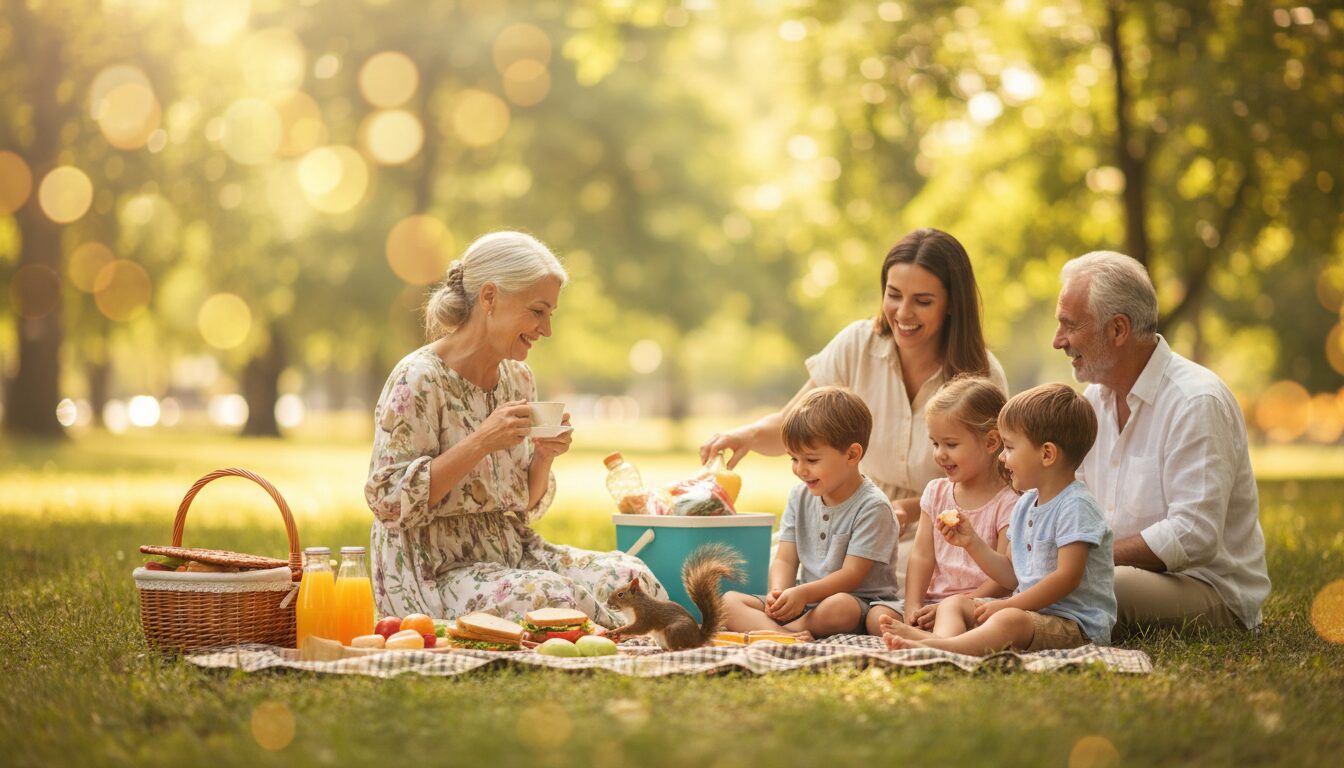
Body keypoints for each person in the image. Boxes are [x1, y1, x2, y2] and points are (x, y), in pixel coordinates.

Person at [364, 231, 665, 627]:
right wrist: (481, 441)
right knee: (549, 595)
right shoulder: (418, 380)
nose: (547, 329)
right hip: (433, 569)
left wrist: (543, 456)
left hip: (511, 554)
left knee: (629, 576)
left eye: (550, 314)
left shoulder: (518, 379)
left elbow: (524, 504)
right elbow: (388, 502)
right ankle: (621, 636)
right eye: (537, 311)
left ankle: (611, 633)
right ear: (489, 298)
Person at [699, 228, 1008, 586]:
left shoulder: (982, 374)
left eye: (922, 301)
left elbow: (995, 479)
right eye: (894, 295)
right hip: (849, 518)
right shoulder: (857, 345)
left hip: (940, 532)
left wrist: (910, 509)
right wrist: (745, 436)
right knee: (749, 573)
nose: (903, 313)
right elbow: (792, 425)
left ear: (953, 303)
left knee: (901, 584)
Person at [1054, 251, 1270, 632]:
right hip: (1116, 573)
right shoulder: (1091, 403)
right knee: (1045, 578)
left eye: (1070, 326)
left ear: (1117, 330)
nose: (1059, 341)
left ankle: (997, 634)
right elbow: (1071, 500)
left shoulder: (1195, 401)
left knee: (1092, 586)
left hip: (1208, 588)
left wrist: (1088, 559)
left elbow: (1193, 534)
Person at [882, 384, 1117, 655]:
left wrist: (1007, 606)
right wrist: (972, 543)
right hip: (1028, 613)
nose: (1002, 458)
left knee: (1008, 620)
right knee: (954, 604)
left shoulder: (1076, 505)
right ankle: (943, 642)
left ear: (1047, 454)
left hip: (1073, 624)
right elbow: (1010, 573)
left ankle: (941, 647)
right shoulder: (1027, 503)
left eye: (1010, 448)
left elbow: (1067, 578)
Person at [720, 386, 901, 639]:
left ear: (852, 454)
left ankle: (775, 632)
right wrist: (779, 593)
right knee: (727, 601)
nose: (800, 470)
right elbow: (785, 558)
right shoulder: (799, 495)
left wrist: (802, 594)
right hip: (803, 601)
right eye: (793, 459)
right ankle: (784, 634)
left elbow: (851, 575)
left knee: (840, 607)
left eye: (811, 460)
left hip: (855, 601)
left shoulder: (873, 507)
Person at [865, 376, 1018, 636]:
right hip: (933, 601)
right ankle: (926, 634)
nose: (939, 454)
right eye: (935, 443)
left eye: (951, 444)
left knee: (968, 620)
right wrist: (913, 606)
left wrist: (953, 606)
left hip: (978, 604)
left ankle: (934, 640)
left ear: (991, 442)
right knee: (877, 616)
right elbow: (922, 555)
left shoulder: (1009, 502)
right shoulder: (936, 493)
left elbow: (1004, 579)